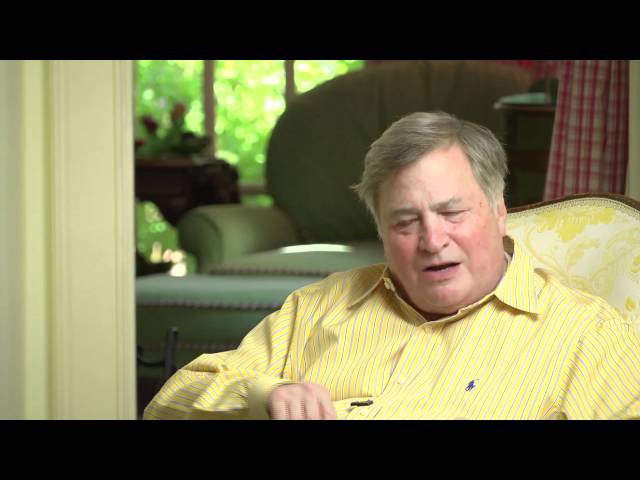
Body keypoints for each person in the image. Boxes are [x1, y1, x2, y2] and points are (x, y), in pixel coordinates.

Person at [144, 111, 640, 420]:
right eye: (404, 222)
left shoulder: (587, 336)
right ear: (380, 230)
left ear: (498, 211)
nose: (432, 241)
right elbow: (169, 402)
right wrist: (265, 396)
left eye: (452, 213)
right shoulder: (318, 307)